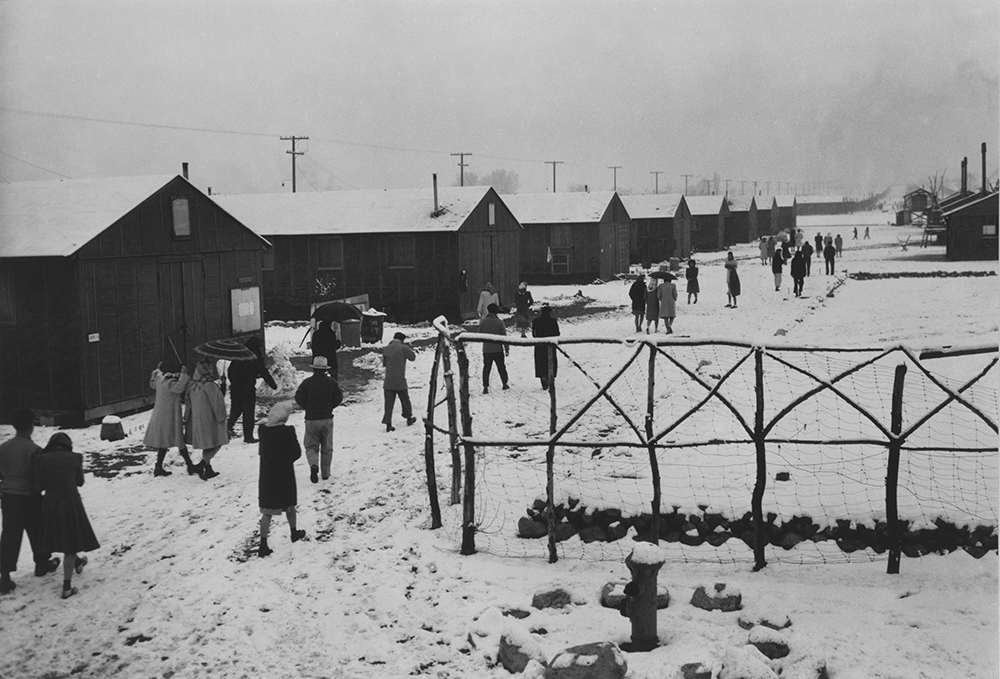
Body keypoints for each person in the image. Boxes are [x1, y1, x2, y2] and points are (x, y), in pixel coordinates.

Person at [0, 409, 59, 595]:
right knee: (37, 531)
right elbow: (38, 477)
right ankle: (42, 563)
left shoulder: (3, 448)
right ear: (31, 426)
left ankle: (5, 576)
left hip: (9, 497)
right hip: (29, 497)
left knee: (10, 535)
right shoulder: (34, 450)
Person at [34, 433, 99, 600]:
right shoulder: (75, 457)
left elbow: (38, 486)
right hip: (71, 504)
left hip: (50, 504)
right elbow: (80, 482)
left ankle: (78, 563)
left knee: (60, 537)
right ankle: (67, 587)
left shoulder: (41, 459)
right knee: (71, 545)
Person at [256, 401, 305, 558]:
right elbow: (296, 452)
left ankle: (263, 543)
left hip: (267, 475)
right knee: (289, 504)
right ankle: (293, 532)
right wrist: (286, 460)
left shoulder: (262, 430)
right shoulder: (287, 431)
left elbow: (261, 451)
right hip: (284, 474)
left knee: (267, 511)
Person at [294, 356, 344, 484]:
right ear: (326, 369)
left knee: (311, 446)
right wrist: (330, 406)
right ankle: (326, 474)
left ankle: (313, 465)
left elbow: (298, 396)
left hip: (311, 419)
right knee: (327, 447)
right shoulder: (331, 382)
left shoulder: (306, 383)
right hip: (327, 418)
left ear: (314, 369)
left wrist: (307, 407)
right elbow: (339, 397)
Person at [144, 362, 196, 476]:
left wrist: (156, 371)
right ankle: (190, 465)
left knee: (164, 442)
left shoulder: (159, 380)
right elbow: (179, 388)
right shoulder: (170, 382)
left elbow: (152, 384)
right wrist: (184, 374)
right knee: (179, 440)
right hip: (171, 415)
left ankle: (158, 467)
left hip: (161, 414)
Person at [185, 356, 229, 481]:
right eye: (209, 367)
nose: (211, 369)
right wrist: (222, 418)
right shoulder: (209, 385)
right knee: (217, 442)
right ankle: (202, 465)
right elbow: (217, 401)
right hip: (211, 419)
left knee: (208, 444)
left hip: (198, 419)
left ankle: (208, 469)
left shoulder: (193, 385)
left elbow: (188, 403)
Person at [226, 337, 278, 443]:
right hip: (248, 389)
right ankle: (248, 436)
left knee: (235, 410)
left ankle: (226, 428)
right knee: (248, 412)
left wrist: (234, 383)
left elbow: (230, 370)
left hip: (236, 388)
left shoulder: (240, 353)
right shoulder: (255, 356)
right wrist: (273, 385)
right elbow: (263, 371)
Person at [382, 332, 416, 432]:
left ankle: (388, 424)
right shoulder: (403, 348)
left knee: (388, 404)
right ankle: (408, 418)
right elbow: (412, 357)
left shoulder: (386, 349)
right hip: (400, 380)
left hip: (388, 381)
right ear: (402, 340)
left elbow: (384, 364)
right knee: (405, 400)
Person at [480, 303, 509, 393]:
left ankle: (485, 386)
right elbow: (504, 336)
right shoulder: (499, 322)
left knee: (486, 368)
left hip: (487, 349)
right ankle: (504, 383)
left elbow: (480, 333)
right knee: (501, 367)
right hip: (498, 349)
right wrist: (506, 348)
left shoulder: (483, 321)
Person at [531, 304, 560, 390]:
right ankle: (550, 376)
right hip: (550, 344)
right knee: (551, 360)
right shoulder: (553, 321)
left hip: (539, 344)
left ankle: (542, 377)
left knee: (540, 361)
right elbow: (557, 333)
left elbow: (534, 334)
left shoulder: (535, 321)